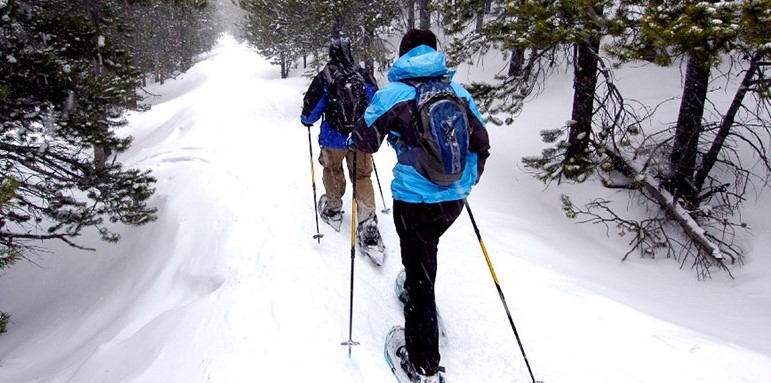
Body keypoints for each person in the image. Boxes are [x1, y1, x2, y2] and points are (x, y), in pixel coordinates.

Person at [349, 29, 490, 382]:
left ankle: (423, 363)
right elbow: (481, 142)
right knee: (428, 249)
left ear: (403, 55)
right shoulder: (456, 91)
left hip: (415, 200)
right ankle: (416, 288)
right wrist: (464, 180)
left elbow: (363, 140)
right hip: (454, 201)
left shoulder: (396, 93)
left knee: (418, 262)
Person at [300, 37, 381, 246]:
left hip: (333, 138)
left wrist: (306, 120)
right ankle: (367, 220)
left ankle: (333, 207)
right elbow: (377, 104)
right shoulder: (363, 75)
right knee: (362, 176)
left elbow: (312, 110)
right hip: (360, 137)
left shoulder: (326, 76)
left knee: (333, 171)